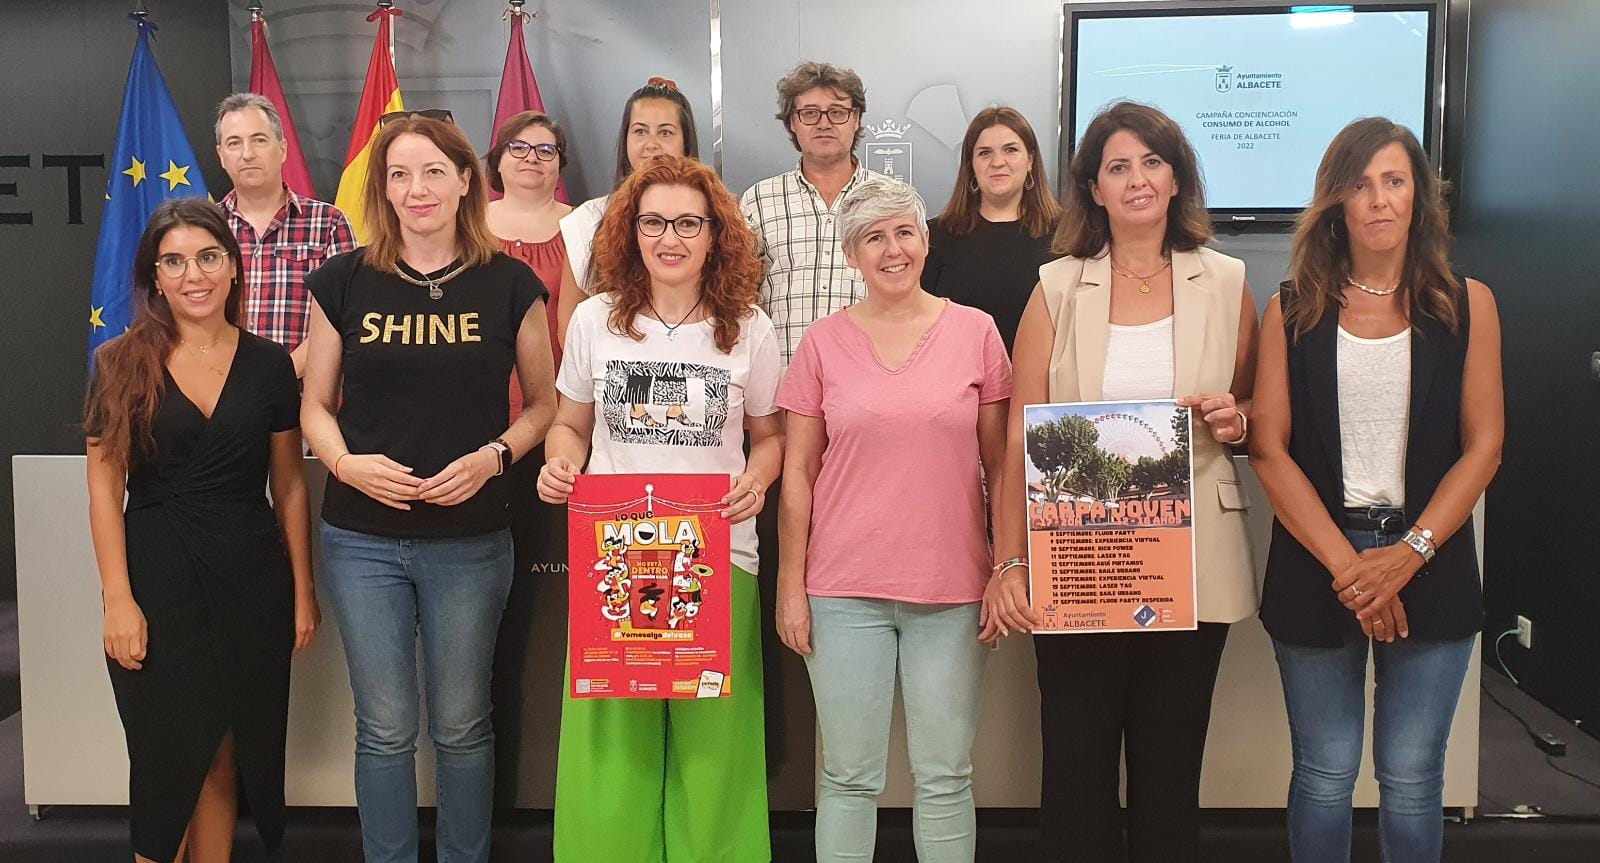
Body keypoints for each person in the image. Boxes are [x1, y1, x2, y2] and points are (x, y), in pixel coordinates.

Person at [986, 101, 1260, 862]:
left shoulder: (1227, 281)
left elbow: (1254, 409)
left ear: (1176, 178)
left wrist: (1237, 419)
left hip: (1191, 564)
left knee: (1171, 774)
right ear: (1094, 189)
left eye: (1152, 162)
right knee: (1076, 771)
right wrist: (1009, 562)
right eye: (1118, 167)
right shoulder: (1056, 287)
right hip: (1080, 560)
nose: (1137, 179)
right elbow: (1019, 436)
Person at [300, 116, 558, 863]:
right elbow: (314, 405)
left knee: (462, 726)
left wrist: (494, 457)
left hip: (471, 541)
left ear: (466, 181)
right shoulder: (342, 280)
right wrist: (345, 464)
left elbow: (543, 407)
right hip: (361, 540)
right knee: (384, 728)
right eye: (400, 174)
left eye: (434, 171)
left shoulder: (511, 283)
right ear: (382, 189)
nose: (418, 189)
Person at [1249, 117, 1503, 863]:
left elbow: (1484, 445)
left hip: (1431, 553)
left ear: (1420, 196)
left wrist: (1409, 554)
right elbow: (1268, 449)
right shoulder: (1291, 308)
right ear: (1336, 201)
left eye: (1394, 181)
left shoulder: (1467, 304)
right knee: (1325, 773)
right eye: (1360, 185)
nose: (1379, 199)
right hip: (1318, 559)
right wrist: (1354, 570)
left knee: (1414, 776)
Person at [537, 155, 783, 863]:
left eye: (687, 223)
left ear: (715, 235)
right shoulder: (594, 320)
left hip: (718, 554)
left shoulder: (749, 327)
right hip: (615, 556)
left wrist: (758, 478)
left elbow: (770, 437)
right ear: (630, 231)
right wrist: (561, 461)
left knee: (715, 747)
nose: (669, 238)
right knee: (613, 747)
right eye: (653, 223)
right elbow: (568, 424)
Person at [776, 176, 1011, 862]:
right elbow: (798, 473)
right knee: (848, 776)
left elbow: (1001, 466)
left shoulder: (977, 333)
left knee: (945, 775)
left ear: (925, 241)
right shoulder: (822, 343)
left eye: (904, 232)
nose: (892, 249)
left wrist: (1005, 567)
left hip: (953, 588)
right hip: (842, 590)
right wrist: (792, 585)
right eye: (873, 238)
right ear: (852, 254)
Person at [85, 197, 318, 863]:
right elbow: (103, 487)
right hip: (158, 581)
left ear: (234, 267)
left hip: (251, 579)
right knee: (165, 764)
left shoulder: (271, 365)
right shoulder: (118, 361)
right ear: (154, 277)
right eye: (175, 261)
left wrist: (303, 592)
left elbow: (289, 485)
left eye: (209, 256)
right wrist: (117, 598)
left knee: (223, 755)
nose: (195, 274)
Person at [741, 60, 889, 367]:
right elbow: (740, 295)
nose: (824, 124)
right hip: (781, 377)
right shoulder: (759, 200)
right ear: (793, 123)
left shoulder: (890, 199)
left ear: (856, 119)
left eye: (837, 112)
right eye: (810, 113)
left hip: (870, 375)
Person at [213, 93, 357, 378]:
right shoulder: (206, 228)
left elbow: (344, 318)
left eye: (259, 140)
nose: (247, 153)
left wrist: (275, 380)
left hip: (302, 395)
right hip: (216, 394)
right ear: (221, 156)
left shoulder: (329, 224)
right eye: (234, 143)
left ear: (282, 149)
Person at [552, 77, 699, 348]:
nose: (651, 144)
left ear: (686, 143)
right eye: (640, 131)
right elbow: (570, 332)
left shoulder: (716, 218)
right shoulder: (587, 220)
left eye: (665, 133)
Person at [923, 106, 1061, 353]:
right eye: (985, 153)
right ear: (971, 165)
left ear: (1030, 160)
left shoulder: (1066, 235)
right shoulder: (934, 237)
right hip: (959, 375)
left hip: (1045, 376)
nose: (998, 162)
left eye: (1010, 150)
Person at [486, 109, 572, 368]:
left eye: (545, 150)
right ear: (498, 161)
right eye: (518, 148)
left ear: (559, 165)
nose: (531, 157)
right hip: (481, 382)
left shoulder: (584, 227)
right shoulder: (465, 227)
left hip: (562, 380)